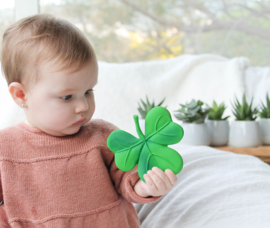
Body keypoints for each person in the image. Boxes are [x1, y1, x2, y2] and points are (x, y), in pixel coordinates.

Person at [0, 14, 178, 228]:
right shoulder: (5, 148)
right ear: (21, 95)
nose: (83, 105)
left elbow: (128, 179)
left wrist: (147, 187)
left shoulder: (103, 136)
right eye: (67, 97)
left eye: (88, 91)